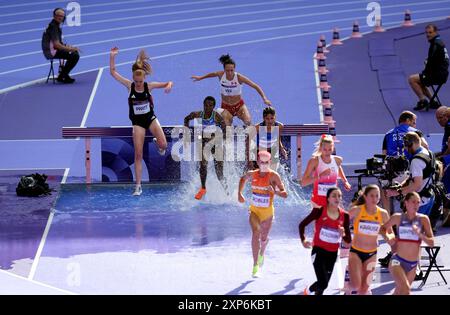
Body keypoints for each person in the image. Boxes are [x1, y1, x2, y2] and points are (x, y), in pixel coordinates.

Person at [109, 47, 173, 196]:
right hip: (137, 123)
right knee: (138, 154)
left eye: (140, 81)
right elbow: (112, 72)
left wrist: (169, 86)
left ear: (144, 78)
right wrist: (112, 56)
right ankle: (138, 186)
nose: (138, 84)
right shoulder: (128, 85)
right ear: (133, 78)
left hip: (150, 119)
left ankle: (159, 144)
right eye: (136, 81)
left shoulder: (148, 86)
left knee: (163, 145)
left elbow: (168, 83)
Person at [238, 151, 288, 278]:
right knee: (256, 233)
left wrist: (275, 192)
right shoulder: (252, 174)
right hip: (254, 211)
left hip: (267, 213)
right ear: (258, 162)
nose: (264, 164)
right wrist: (240, 193)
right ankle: (255, 265)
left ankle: (262, 252)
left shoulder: (273, 176)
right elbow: (242, 179)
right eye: (262, 162)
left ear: (270, 162)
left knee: (264, 237)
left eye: (267, 162)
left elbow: (285, 194)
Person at [191, 54, 271, 126]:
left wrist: (264, 98)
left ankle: (250, 139)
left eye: (231, 70)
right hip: (226, 107)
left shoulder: (239, 77)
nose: (229, 73)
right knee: (226, 125)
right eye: (227, 70)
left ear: (234, 69)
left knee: (248, 122)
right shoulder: (220, 74)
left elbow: (255, 86)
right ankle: (227, 140)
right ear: (224, 70)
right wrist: (201, 78)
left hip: (239, 106)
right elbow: (212, 74)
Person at [299, 187, 352, 295]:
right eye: (334, 196)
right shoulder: (319, 211)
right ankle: (307, 291)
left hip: (332, 254)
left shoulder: (345, 216)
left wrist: (343, 234)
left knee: (322, 287)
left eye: (339, 196)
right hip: (318, 251)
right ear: (328, 198)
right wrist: (303, 240)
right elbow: (302, 225)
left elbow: (348, 241)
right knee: (323, 283)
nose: (337, 198)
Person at [380, 192, 434, 295]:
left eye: (418, 202)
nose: (416, 205)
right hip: (397, 261)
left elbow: (431, 243)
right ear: (406, 203)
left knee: (399, 292)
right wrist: (388, 238)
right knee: (406, 290)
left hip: (413, 265)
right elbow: (382, 229)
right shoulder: (398, 217)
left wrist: (420, 234)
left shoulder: (423, 219)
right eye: (413, 202)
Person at [380, 111, 428, 214]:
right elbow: (425, 147)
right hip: (409, 172)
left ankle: (387, 216)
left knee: (384, 189)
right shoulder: (415, 132)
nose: (415, 125)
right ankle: (409, 213)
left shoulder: (388, 134)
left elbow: (384, 155)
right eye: (414, 122)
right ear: (408, 120)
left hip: (392, 173)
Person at [348, 185, 392, 295]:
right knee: (356, 285)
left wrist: (388, 237)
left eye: (377, 196)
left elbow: (390, 233)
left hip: (371, 254)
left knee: (364, 288)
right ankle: (350, 287)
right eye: (371, 195)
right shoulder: (357, 210)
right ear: (365, 197)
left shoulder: (383, 213)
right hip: (356, 252)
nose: (374, 198)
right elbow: (342, 220)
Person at [184, 96, 228, 200]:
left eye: (210, 105)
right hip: (204, 143)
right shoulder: (198, 114)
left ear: (213, 106)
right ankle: (203, 188)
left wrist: (224, 137)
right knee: (203, 166)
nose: (207, 107)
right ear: (203, 105)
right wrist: (186, 129)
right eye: (206, 105)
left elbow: (224, 126)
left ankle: (227, 190)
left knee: (219, 173)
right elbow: (186, 118)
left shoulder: (216, 116)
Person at [301, 134, 351, 209]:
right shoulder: (314, 161)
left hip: (333, 201)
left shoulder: (337, 160)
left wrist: (345, 181)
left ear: (333, 148)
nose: (327, 152)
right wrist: (320, 176)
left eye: (330, 149)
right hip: (318, 203)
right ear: (321, 148)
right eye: (325, 149)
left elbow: (338, 167)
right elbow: (303, 182)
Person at [409, 24, 449, 111]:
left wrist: (425, 73)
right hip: (443, 74)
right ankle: (433, 101)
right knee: (421, 80)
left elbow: (430, 63)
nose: (428, 34)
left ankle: (423, 101)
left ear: (436, 32)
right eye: (426, 33)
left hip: (437, 75)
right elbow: (440, 60)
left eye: (430, 32)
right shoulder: (439, 42)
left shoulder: (435, 44)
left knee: (412, 79)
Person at [43, 8, 80, 84]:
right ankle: (63, 76)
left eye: (62, 16)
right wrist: (70, 49)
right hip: (51, 52)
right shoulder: (54, 27)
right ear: (54, 16)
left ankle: (63, 75)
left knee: (73, 52)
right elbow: (57, 45)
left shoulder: (54, 25)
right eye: (58, 15)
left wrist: (69, 47)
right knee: (75, 55)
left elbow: (58, 43)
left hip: (51, 50)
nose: (60, 17)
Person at [247, 106, 288, 171]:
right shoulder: (257, 128)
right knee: (259, 173)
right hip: (259, 151)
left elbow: (278, 138)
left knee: (272, 172)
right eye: (267, 119)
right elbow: (248, 142)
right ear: (263, 118)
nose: (270, 121)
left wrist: (282, 148)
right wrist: (250, 159)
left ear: (275, 117)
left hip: (272, 150)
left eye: (272, 118)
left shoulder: (279, 126)